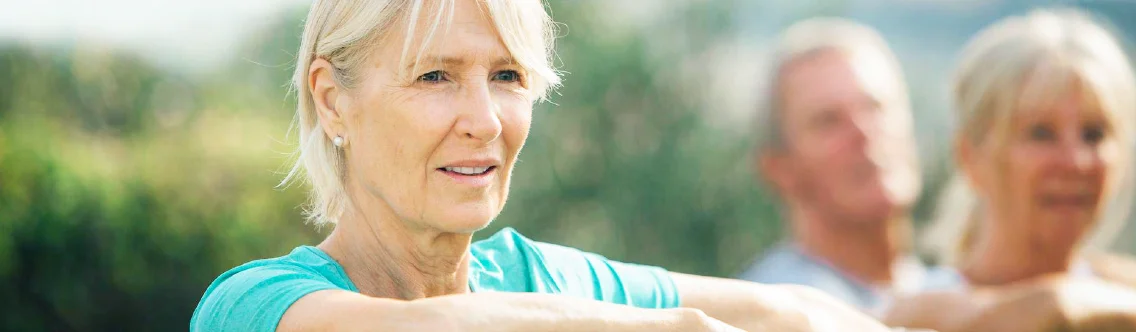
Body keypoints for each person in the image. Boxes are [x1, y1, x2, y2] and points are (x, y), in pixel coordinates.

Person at [189, 0, 894, 331]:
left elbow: (790, 311)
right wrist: (676, 328)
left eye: (507, 76)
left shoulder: (541, 279)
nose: (486, 120)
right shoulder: (253, 305)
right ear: (332, 101)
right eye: (435, 76)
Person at [883, 8, 1136, 332]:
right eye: (1041, 133)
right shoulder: (917, 313)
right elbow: (1055, 309)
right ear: (970, 156)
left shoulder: (1115, 286)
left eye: (1094, 134)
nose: (1076, 161)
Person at [738, 17, 942, 314]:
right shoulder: (769, 314)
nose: (863, 132)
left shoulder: (948, 290)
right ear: (778, 168)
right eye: (828, 121)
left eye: (875, 106)